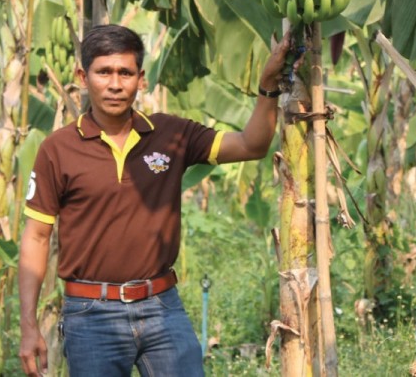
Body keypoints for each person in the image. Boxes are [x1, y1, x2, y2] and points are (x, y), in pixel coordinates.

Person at [19, 24, 291, 377]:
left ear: (141, 79)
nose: (115, 84)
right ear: (83, 78)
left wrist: (268, 86)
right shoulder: (58, 149)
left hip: (162, 308)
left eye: (125, 73)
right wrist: (28, 325)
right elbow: (36, 237)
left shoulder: (171, 134)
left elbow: (251, 145)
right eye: (104, 72)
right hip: (90, 314)